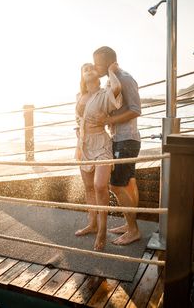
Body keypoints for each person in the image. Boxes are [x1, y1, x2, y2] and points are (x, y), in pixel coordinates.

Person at [92, 46, 141, 245]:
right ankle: (130, 224)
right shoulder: (111, 80)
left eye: (97, 63)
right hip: (120, 139)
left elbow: (136, 110)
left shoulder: (125, 79)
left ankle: (133, 230)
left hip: (126, 140)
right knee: (128, 184)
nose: (95, 67)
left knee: (116, 185)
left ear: (108, 62)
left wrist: (108, 120)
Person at [75, 62, 122, 251]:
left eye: (91, 67)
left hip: (101, 144)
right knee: (88, 187)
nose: (88, 69)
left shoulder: (103, 94)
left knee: (100, 186)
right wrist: (78, 143)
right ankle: (92, 224)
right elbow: (78, 123)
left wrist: (110, 71)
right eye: (84, 68)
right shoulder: (79, 96)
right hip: (83, 146)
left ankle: (102, 231)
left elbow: (117, 87)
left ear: (97, 74)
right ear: (81, 75)